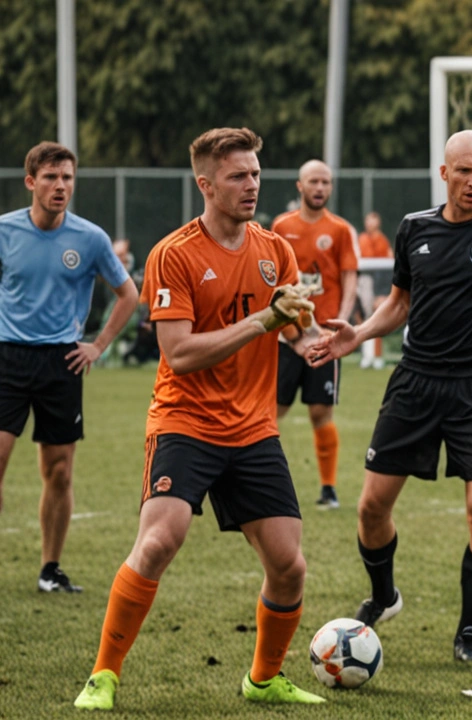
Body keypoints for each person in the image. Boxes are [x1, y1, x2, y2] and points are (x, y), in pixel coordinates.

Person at [74, 127, 325, 710]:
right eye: (238, 176)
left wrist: (315, 337)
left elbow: (294, 327)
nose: (251, 185)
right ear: (205, 183)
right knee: (161, 539)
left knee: (289, 565)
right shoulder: (175, 253)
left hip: (254, 428)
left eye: (256, 174)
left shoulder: (274, 250)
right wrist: (266, 321)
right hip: (185, 421)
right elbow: (180, 353)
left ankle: (263, 679)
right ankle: (103, 675)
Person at [307, 130, 472, 664]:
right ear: (444, 174)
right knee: (372, 507)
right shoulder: (414, 228)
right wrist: (359, 332)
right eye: (465, 171)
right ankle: (383, 596)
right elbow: (399, 304)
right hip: (415, 381)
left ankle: (468, 632)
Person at [0, 141, 139, 594]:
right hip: (8, 358)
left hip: (62, 361)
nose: (61, 186)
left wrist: (98, 344)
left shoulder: (90, 238)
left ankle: (49, 569)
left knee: (58, 471)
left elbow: (129, 294)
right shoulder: (5, 231)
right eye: (51, 178)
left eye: (67, 178)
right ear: (31, 182)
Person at [271, 161, 359, 509]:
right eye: (313, 181)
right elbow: (273, 279)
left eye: (325, 182)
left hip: (324, 337)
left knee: (321, 412)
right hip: (288, 336)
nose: (320, 187)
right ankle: (268, 484)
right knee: (270, 412)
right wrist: (293, 333)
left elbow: (349, 277)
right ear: (300, 186)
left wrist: (342, 319)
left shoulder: (340, 230)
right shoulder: (281, 225)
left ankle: (328, 488)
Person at [356, 211, 393, 369]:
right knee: (363, 318)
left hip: (378, 285)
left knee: (377, 318)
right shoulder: (361, 239)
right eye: (368, 221)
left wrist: (383, 293)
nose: (370, 224)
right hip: (363, 282)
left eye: (373, 221)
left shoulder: (383, 242)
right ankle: (367, 355)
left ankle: (377, 356)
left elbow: (386, 269)